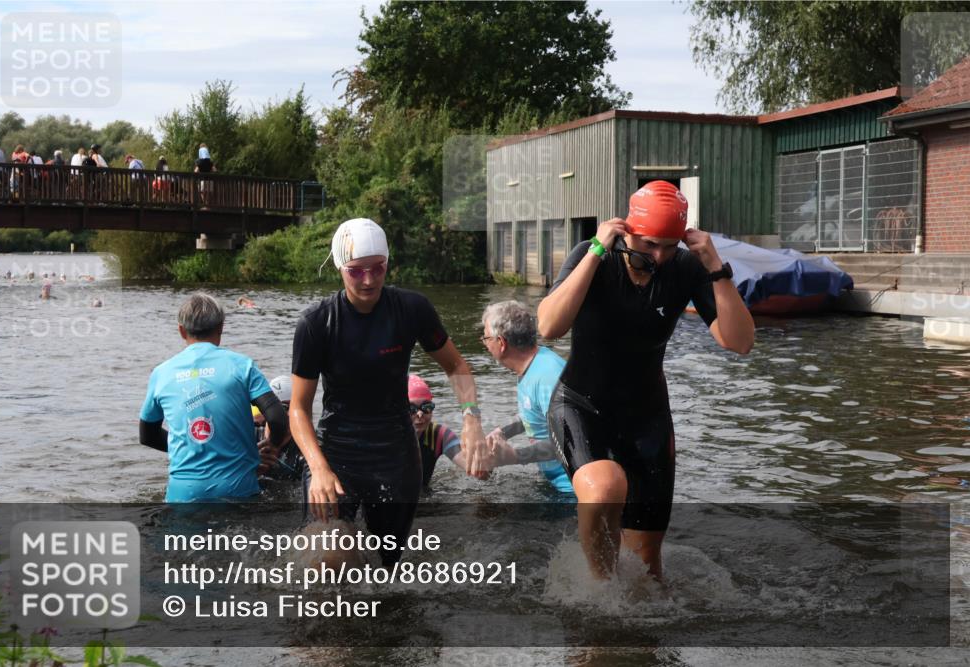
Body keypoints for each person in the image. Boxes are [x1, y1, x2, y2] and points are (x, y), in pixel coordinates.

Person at [537, 180, 754, 581]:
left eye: (670, 247)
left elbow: (739, 342)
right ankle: (600, 600)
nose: (659, 257)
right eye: (650, 246)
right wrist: (597, 251)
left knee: (648, 566)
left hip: (646, 417)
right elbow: (549, 326)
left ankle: (635, 632)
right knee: (604, 488)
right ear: (627, 233)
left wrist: (716, 268)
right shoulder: (593, 256)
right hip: (582, 405)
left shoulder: (685, 268)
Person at [289, 218, 490, 566]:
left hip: (395, 456)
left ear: (387, 263)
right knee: (326, 555)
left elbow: (456, 366)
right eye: (356, 271)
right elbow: (298, 409)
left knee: (387, 569)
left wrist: (471, 418)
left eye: (377, 268)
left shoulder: (411, 310)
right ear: (339, 267)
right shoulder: (316, 323)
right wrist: (318, 468)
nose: (368, 280)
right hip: (336, 453)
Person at [139, 293, 289, 502]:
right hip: (237, 490)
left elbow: (147, 436)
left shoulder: (161, 373)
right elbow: (277, 418)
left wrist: (194, 447)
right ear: (221, 328)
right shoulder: (242, 366)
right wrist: (270, 447)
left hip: (182, 495)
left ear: (181, 331)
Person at [480, 300, 574, 495]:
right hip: (554, 483)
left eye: (486, 337)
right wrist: (501, 432)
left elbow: (569, 440)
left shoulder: (548, 376)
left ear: (502, 343)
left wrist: (515, 456)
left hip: (571, 493)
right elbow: (534, 414)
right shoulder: (532, 367)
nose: (485, 344)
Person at [407, 374, 463, 491]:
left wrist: (486, 457)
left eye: (426, 407)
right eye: (411, 408)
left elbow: (466, 462)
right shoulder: (386, 436)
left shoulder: (439, 435)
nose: (420, 414)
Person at [254, 374, 305, 481]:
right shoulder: (249, 437)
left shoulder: (304, 447)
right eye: (274, 408)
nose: (279, 414)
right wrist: (250, 467)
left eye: (285, 407)